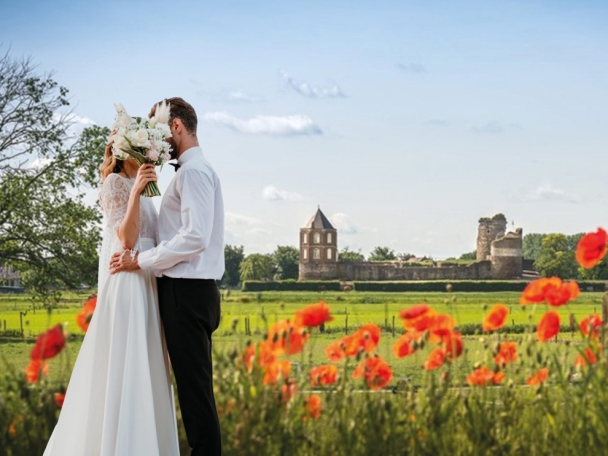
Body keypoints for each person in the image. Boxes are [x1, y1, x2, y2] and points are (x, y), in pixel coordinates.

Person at [43, 138, 180, 455]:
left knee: (149, 364)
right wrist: (135, 191)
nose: (150, 156)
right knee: (126, 362)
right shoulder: (115, 182)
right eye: (145, 149)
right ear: (127, 149)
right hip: (129, 282)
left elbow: (154, 239)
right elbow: (127, 238)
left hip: (147, 279)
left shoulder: (143, 186)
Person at [110, 97, 225, 456]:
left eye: (161, 132)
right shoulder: (195, 171)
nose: (157, 143)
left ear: (176, 127)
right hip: (194, 292)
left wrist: (141, 259)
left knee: (195, 400)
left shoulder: (192, 172)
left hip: (185, 294)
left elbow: (194, 237)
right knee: (196, 394)